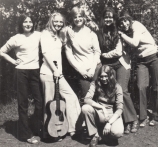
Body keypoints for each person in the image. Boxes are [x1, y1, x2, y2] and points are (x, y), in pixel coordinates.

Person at [117, 11, 158, 127]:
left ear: (128, 19)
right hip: (141, 61)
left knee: (156, 87)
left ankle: (157, 116)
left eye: (125, 21)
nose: (124, 24)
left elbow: (135, 43)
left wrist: (122, 35)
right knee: (141, 86)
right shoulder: (127, 31)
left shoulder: (136, 25)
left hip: (153, 57)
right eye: (121, 23)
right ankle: (143, 117)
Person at [0, 14, 42, 144]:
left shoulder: (38, 35)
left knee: (40, 102)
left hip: (35, 71)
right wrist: (13, 61)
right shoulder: (16, 38)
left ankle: (35, 127)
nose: (28, 24)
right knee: (23, 104)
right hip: (21, 71)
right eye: (25, 22)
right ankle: (26, 135)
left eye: (30, 21)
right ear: (21, 24)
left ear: (33, 23)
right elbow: (1, 51)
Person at [40, 12, 82, 140]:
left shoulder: (58, 35)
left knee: (72, 97)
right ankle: (48, 133)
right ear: (50, 21)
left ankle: (73, 128)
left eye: (60, 22)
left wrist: (68, 29)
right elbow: (46, 53)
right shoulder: (45, 34)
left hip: (59, 74)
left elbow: (66, 38)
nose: (58, 24)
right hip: (48, 73)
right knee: (49, 104)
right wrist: (54, 70)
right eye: (55, 21)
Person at [97, 7, 138, 134]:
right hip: (108, 67)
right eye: (106, 17)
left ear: (114, 19)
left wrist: (104, 55)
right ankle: (124, 122)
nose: (108, 19)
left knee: (123, 91)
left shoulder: (118, 31)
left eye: (111, 17)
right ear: (103, 19)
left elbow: (118, 51)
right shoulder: (99, 33)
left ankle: (133, 120)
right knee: (113, 92)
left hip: (120, 64)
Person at [64, 7, 101, 99]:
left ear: (84, 17)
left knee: (100, 97)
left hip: (95, 68)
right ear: (72, 19)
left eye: (80, 16)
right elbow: (69, 56)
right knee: (87, 98)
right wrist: (81, 70)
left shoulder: (91, 33)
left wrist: (93, 69)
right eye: (75, 17)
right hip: (81, 71)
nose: (78, 19)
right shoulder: (69, 33)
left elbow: (97, 52)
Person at [82, 65, 124, 147]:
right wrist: (102, 107)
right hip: (100, 113)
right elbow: (86, 99)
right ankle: (95, 134)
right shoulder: (95, 84)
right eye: (101, 76)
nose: (103, 79)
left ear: (110, 76)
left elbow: (120, 109)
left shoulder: (117, 87)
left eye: (106, 76)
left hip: (112, 115)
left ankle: (104, 131)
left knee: (117, 133)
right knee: (85, 108)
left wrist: (109, 123)